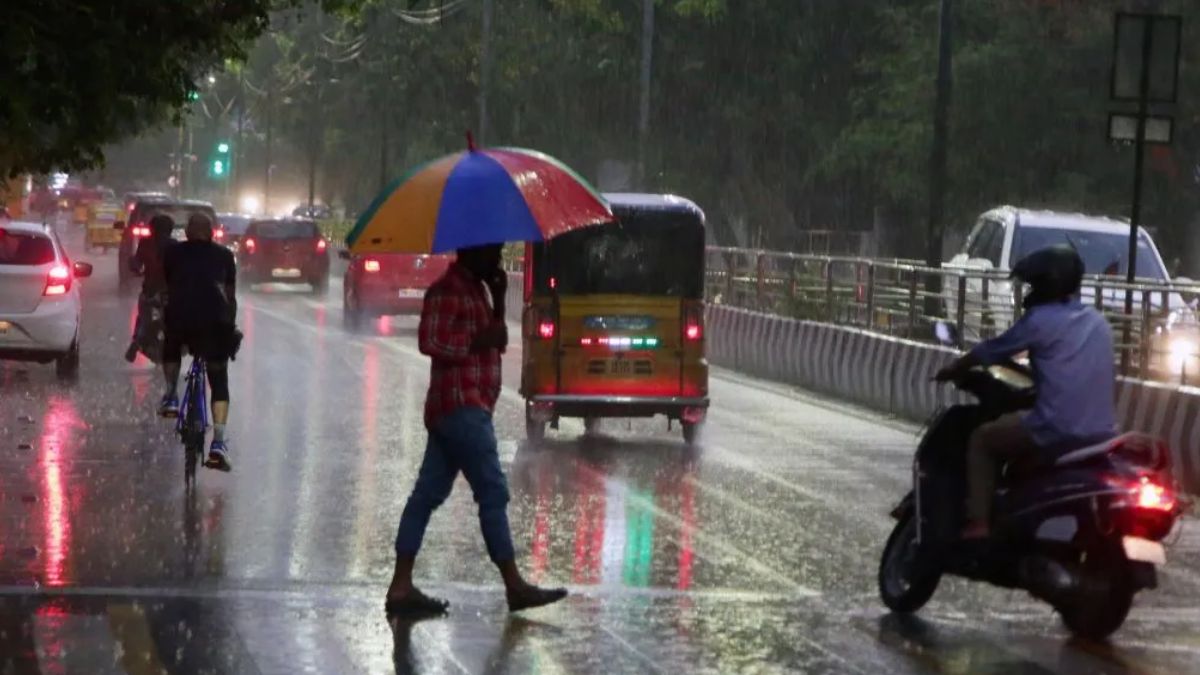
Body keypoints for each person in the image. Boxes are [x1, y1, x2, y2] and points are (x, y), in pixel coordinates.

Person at [385, 243, 567, 616]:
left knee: (427, 494)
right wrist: (475, 341)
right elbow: (430, 341)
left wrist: (499, 298)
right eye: (493, 252)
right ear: (472, 251)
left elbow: (495, 339)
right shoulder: (447, 290)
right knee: (492, 491)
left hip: (467, 406)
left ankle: (401, 585)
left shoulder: (478, 291)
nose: (498, 259)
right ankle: (514, 584)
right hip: (460, 407)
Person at [935, 245, 1117, 540]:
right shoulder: (1098, 322)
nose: (1029, 291)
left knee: (981, 440)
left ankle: (979, 523)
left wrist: (954, 369)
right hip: (1102, 434)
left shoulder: (1039, 320)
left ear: (1046, 284)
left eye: (1033, 284)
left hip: (1055, 428)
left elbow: (989, 351)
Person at [160, 213, 240, 472]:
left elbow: (169, 285)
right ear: (212, 233)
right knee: (218, 379)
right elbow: (230, 297)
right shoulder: (225, 256)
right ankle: (218, 442)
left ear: (187, 233)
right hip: (214, 325)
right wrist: (230, 327)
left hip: (181, 320)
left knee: (171, 341)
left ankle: (171, 395)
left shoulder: (174, 254)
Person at [124, 214, 176, 362]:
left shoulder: (145, 243)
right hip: (167, 292)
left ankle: (136, 343)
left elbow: (137, 264)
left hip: (151, 290)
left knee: (143, 317)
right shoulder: (175, 245)